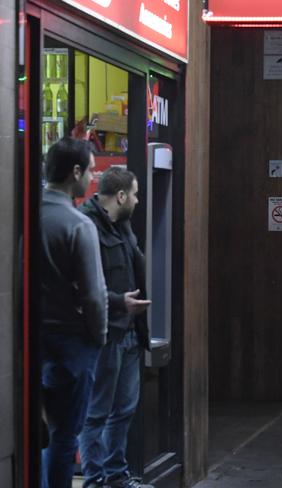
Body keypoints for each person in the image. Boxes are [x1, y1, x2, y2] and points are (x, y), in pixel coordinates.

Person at [78, 167, 153, 488]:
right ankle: (94, 479)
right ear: (121, 196)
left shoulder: (123, 227)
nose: (136, 200)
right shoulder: (87, 226)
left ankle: (116, 476)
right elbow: (81, 287)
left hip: (130, 333)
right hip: (105, 335)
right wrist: (120, 303)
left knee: (124, 409)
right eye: (134, 194)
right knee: (96, 413)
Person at [40, 137, 108, 488]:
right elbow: (94, 296)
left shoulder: (24, 214)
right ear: (75, 172)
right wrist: (98, 338)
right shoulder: (78, 225)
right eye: (92, 170)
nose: (93, 178)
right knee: (65, 436)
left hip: (31, 341)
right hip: (71, 345)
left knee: (36, 433)